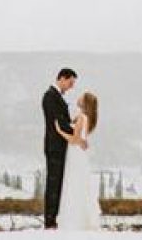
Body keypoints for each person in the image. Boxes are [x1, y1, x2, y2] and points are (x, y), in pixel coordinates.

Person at [41, 68, 83, 229]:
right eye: (71, 82)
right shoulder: (50, 97)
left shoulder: (56, 97)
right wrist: (78, 132)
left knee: (58, 183)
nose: (71, 87)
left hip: (60, 145)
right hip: (55, 147)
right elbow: (59, 124)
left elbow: (63, 122)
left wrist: (75, 124)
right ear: (62, 79)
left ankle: (54, 219)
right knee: (54, 183)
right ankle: (50, 221)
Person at [54, 91, 101, 230]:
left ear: (85, 102)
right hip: (79, 153)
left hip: (75, 153)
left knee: (73, 182)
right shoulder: (85, 117)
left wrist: (59, 131)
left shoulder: (81, 117)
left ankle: (73, 219)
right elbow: (81, 139)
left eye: (81, 97)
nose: (78, 97)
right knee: (79, 183)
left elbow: (74, 139)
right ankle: (80, 218)